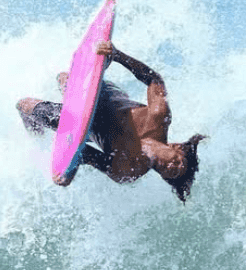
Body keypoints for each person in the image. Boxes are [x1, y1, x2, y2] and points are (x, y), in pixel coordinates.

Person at [16, 41, 206, 202]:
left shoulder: (126, 171)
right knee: (64, 79)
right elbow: (154, 80)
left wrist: (67, 173)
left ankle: (35, 134)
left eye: (171, 174)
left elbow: (86, 155)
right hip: (104, 97)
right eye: (177, 162)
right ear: (176, 147)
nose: (171, 168)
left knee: (24, 105)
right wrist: (117, 55)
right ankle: (66, 82)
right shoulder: (158, 118)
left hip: (85, 127)